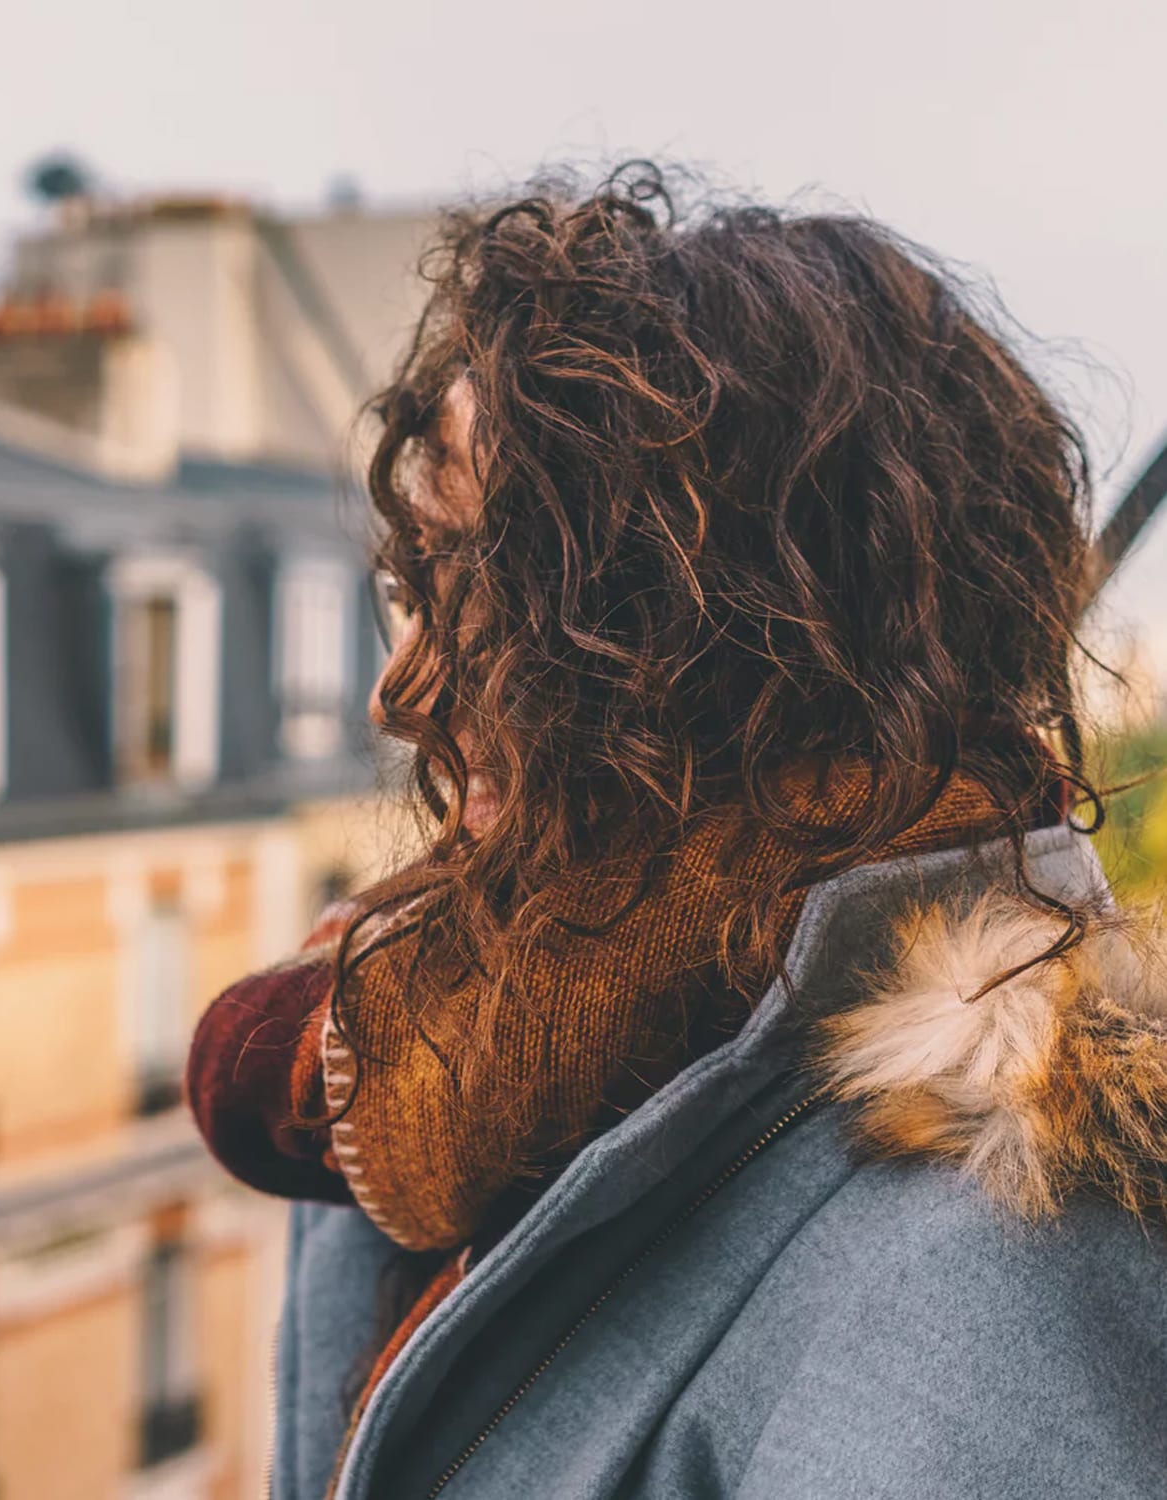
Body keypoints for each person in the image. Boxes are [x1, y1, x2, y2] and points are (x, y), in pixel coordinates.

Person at [188, 163, 1167, 1500]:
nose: (400, 690)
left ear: (746, 637)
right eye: (418, 587)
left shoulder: (996, 1268)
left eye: (491, 592)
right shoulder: (442, 1065)